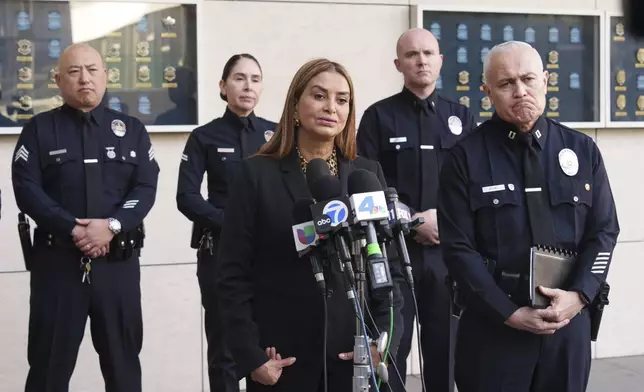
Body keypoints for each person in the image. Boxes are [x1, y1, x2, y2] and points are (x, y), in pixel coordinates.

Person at [437, 41, 619, 392]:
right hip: (495, 328)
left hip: (568, 326)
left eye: (528, 79)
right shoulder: (464, 158)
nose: (520, 91)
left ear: (546, 81)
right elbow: (458, 249)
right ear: (487, 91)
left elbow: (605, 231)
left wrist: (580, 296)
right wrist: (508, 312)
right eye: (506, 84)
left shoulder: (582, 151)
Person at [214, 58, 405, 392]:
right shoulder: (255, 175)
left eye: (342, 100)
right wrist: (250, 356)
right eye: (319, 96)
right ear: (295, 106)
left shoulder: (366, 175)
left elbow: (388, 271)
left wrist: (384, 343)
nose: (331, 107)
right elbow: (232, 275)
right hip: (283, 360)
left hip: (354, 358)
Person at [11, 43, 159, 392]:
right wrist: (73, 229)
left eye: (92, 70)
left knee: (123, 367)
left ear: (106, 76)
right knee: (48, 369)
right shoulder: (39, 129)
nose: (84, 79)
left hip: (117, 267)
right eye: (74, 72)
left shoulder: (132, 129)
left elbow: (146, 187)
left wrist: (111, 226)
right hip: (58, 267)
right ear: (58, 80)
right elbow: (27, 189)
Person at [356, 27, 476, 392]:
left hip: (448, 257)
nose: (421, 60)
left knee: (446, 352)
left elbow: (475, 187)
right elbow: (365, 189)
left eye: (428, 53)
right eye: (411, 55)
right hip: (395, 254)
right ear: (398, 64)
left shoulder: (463, 118)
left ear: (440, 60)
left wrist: (446, 221)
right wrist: (412, 220)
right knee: (391, 350)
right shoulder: (378, 117)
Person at [176, 53, 276, 392]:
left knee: (269, 344)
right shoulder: (205, 136)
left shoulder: (274, 135)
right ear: (223, 86)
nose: (248, 86)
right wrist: (231, 225)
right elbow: (186, 196)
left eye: (255, 79)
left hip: (267, 256)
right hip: (220, 253)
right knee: (225, 349)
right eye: (239, 78)